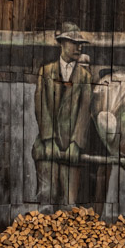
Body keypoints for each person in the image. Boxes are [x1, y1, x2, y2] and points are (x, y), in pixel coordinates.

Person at [33, 22, 93, 205]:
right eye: (74, 42)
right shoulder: (46, 72)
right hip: (47, 148)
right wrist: (49, 140)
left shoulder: (85, 77)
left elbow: (85, 112)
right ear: (62, 44)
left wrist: (76, 143)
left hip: (71, 151)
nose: (78, 47)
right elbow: (41, 106)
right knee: (47, 195)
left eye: (80, 43)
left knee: (69, 202)